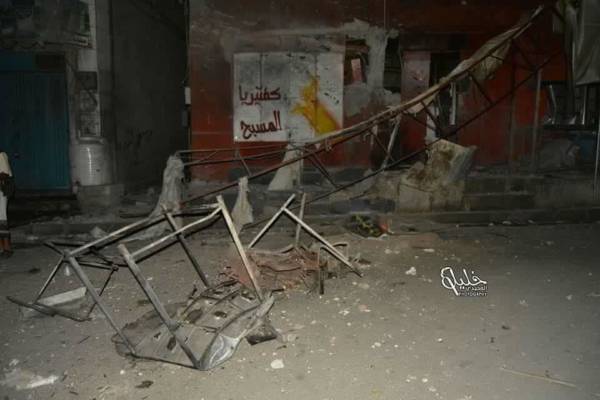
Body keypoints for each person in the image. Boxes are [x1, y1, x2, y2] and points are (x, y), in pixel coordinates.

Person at [0, 151, 14, 257]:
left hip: (1, 191)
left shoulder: (1, 155)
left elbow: (4, 174)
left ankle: (7, 248)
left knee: (2, 219)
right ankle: (1, 248)